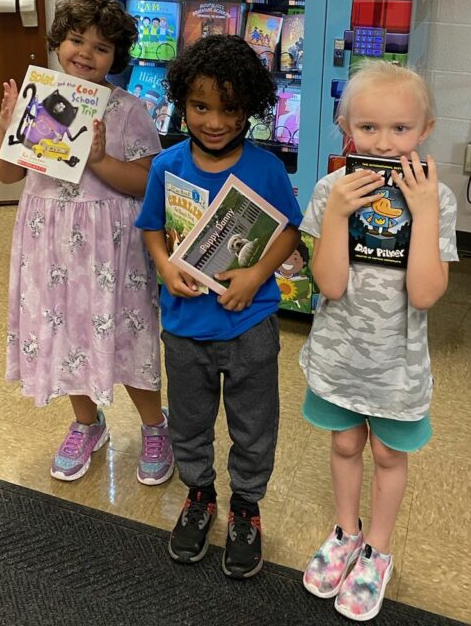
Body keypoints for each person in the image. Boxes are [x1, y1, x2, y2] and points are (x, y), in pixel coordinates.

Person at [0, 0, 174, 487]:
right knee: (65, 326)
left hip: (112, 245)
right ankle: (87, 424)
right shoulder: (42, 102)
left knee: (128, 330)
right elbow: (5, 173)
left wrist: (100, 161)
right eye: (76, 40)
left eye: (102, 47)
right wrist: (6, 127)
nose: (86, 53)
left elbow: (148, 180)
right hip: (49, 240)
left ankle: (156, 427)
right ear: (57, 42)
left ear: (118, 57)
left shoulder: (129, 109)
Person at [137, 35, 302, 579]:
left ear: (249, 109)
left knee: (254, 423)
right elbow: (153, 230)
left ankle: (247, 507)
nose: (213, 121)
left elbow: (288, 231)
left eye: (229, 109)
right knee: (188, 421)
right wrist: (164, 266)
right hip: (184, 327)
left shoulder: (267, 168)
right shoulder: (166, 166)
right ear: (181, 102)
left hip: (250, 324)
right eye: (200, 106)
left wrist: (257, 275)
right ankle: (200, 494)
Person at [299, 61, 457, 621]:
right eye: (367, 128)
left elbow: (426, 294)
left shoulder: (436, 200)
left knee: (389, 453)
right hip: (341, 355)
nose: (384, 144)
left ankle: (377, 551)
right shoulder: (328, 190)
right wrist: (338, 213)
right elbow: (330, 284)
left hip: (398, 364)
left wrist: (422, 212)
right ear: (345, 126)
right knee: (344, 444)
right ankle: (346, 532)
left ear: (426, 129)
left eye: (400, 129)